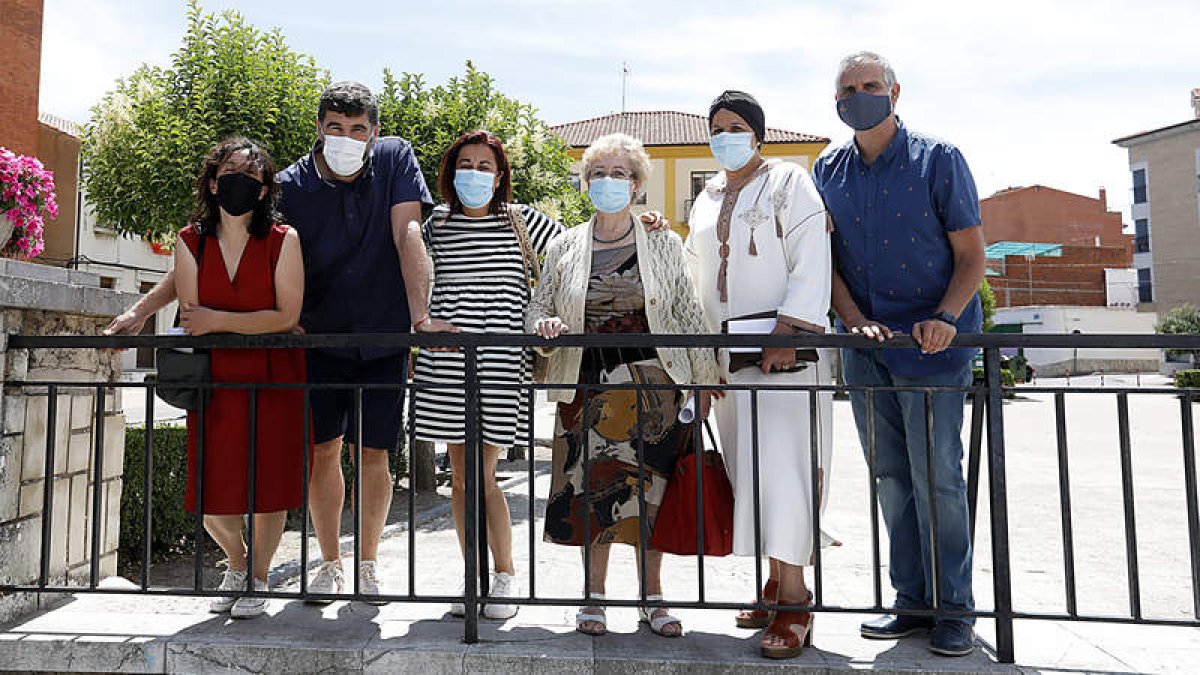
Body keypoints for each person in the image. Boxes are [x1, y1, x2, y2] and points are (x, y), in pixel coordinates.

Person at [105, 81, 441, 602]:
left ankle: (368, 565)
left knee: (375, 454)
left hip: (383, 334)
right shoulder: (288, 185)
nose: (346, 138)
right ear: (319, 128)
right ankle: (331, 563)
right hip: (313, 342)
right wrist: (140, 309)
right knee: (324, 451)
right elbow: (206, 248)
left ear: (374, 133)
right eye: (335, 128)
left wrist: (421, 316)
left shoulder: (396, 158)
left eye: (358, 130)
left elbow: (408, 234)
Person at [812, 52, 987, 657]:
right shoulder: (827, 168)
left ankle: (954, 609)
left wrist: (945, 318)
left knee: (938, 477)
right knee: (890, 478)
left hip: (934, 345)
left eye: (869, 86)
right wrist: (853, 322)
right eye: (847, 89)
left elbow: (971, 255)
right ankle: (911, 602)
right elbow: (824, 261)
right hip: (868, 349)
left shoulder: (940, 160)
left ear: (894, 92)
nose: (858, 96)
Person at [527, 132, 720, 638]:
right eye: (598, 174)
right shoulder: (566, 243)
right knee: (594, 492)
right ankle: (593, 596)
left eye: (620, 174)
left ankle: (652, 597)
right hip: (586, 385)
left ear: (637, 185)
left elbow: (686, 312)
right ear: (586, 182)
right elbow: (538, 305)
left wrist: (702, 381)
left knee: (652, 495)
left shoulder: (661, 240)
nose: (608, 182)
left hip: (654, 386)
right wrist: (543, 327)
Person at [685, 90, 833, 659]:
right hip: (728, 360)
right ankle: (774, 583)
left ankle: (797, 601)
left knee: (786, 471)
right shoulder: (706, 197)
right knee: (749, 468)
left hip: (781, 356)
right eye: (717, 127)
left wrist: (788, 330)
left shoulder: (789, 183)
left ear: (758, 135)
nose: (726, 136)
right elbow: (696, 272)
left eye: (737, 126)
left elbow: (810, 257)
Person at [412, 131, 564, 620]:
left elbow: (578, 252)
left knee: (484, 476)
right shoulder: (435, 224)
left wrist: (644, 225)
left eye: (484, 165)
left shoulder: (523, 220)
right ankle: (472, 577)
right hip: (447, 359)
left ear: (499, 177)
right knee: (459, 479)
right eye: (466, 163)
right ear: (451, 171)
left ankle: (503, 576)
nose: (474, 173)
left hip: (500, 361)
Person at [175, 137, 305, 619]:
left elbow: (287, 315)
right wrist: (243, 319)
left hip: (275, 376)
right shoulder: (189, 240)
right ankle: (237, 562)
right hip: (215, 379)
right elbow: (193, 317)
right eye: (230, 171)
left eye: (252, 175)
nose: (239, 181)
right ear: (212, 181)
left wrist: (220, 320)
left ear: (265, 187)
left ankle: (258, 579)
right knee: (212, 496)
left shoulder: (283, 240)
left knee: (269, 486)